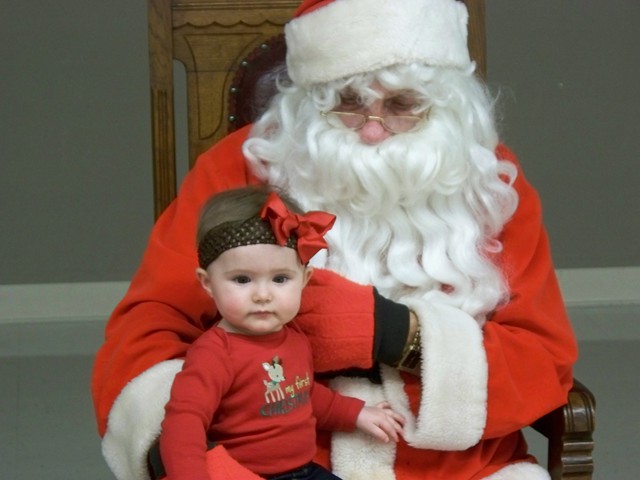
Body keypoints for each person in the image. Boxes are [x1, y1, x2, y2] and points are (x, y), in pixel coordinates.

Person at [92, 0, 578, 479]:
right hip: (274, 461)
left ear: (446, 105)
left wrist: (398, 334)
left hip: (458, 469)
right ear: (312, 100)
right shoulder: (241, 166)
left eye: (403, 105)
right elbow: (149, 327)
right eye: (348, 102)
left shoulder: (489, 182)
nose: (373, 132)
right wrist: (183, 456)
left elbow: (541, 359)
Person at [158, 186, 405, 480]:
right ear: (208, 283)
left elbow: (305, 394)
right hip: (247, 473)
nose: (262, 295)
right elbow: (184, 423)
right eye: (242, 279)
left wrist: (356, 413)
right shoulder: (215, 353)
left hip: (305, 471)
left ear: (304, 279)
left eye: (279, 279)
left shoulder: (294, 337)